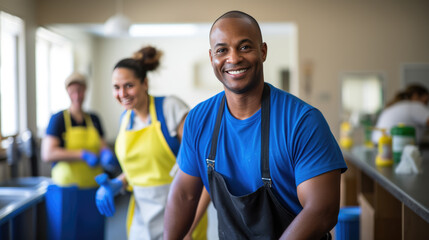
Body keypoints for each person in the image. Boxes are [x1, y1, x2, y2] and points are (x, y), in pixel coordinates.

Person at [164, 10, 347, 239]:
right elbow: (184, 195)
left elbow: (322, 211)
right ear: (212, 58)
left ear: (263, 51)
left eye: (244, 47)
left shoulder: (302, 121)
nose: (233, 58)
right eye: (222, 50)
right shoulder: (199, 120)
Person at [94, 46, 209, 240]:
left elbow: (205, 167)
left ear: (145, 83)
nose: (122, 93)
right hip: (142, 221)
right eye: (116, 87)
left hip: (182, 214)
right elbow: (140, 169)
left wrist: (189, 228)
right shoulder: (125, 120)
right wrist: (118, 183)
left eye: (129, 85)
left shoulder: (170, 108)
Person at [41, 72, 117, 240]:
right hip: (67, 190)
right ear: (68, 92)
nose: (77, 95)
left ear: (85, 91)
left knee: (92, 233)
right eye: (73, 91)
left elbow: (103, 145)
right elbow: (48, 153)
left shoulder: (94, 118)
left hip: (93, 189)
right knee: (67, 234)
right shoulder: (58, 119)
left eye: (80, 91)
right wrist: (81, 154)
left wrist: (106, 154)